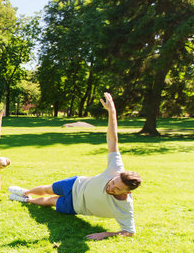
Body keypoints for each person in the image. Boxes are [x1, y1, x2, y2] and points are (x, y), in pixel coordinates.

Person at [8, 92, 142, 240]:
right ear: (116, 176)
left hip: (76, 205)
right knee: (48, 188)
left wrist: (106, 234)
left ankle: (27, 200)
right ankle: (25, 192)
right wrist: (112, 111)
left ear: (128, 192)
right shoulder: (116, 169)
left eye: (117, 189)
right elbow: (112, 140)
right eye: (113, 182)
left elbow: (130, 232)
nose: (111, 187)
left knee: (52, 201)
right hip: (77, 183)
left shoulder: (125, 208)